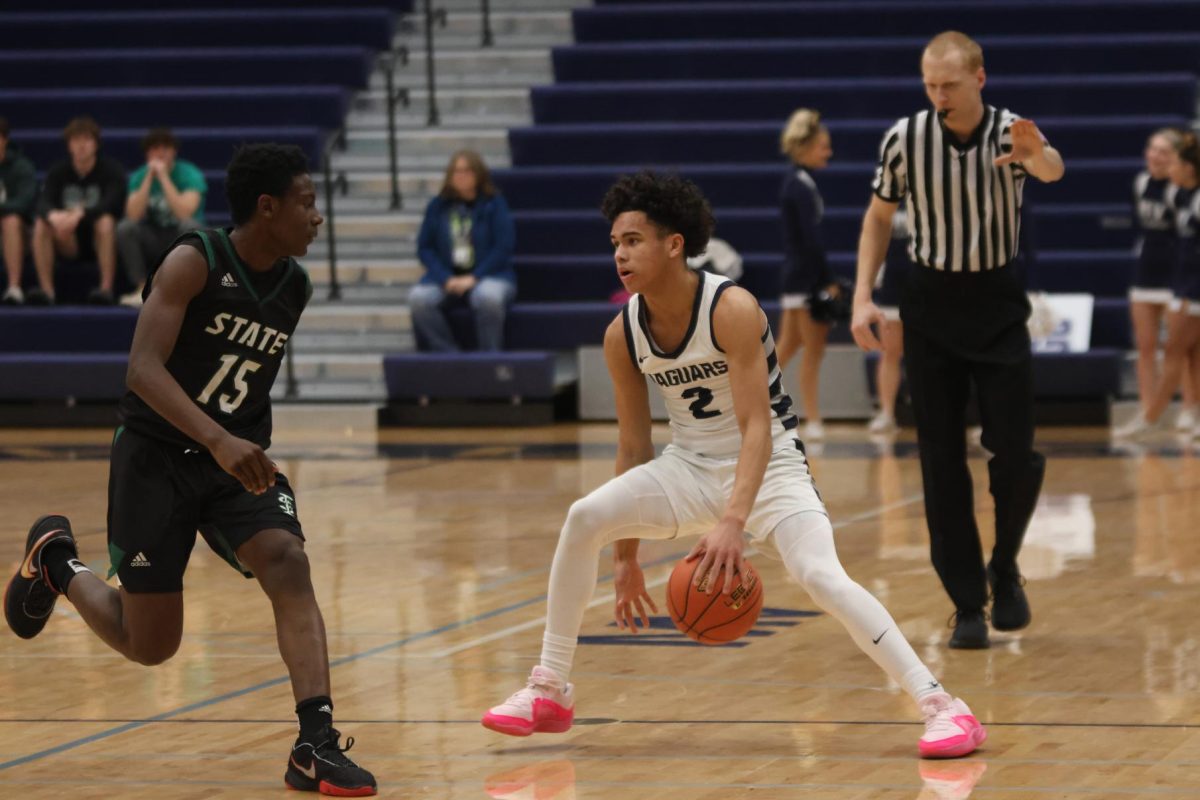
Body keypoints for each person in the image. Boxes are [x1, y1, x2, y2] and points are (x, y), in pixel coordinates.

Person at [480, 171, 987, 759]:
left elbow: (758, 429)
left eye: (634, 240)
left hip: (771, 469)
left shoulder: (732, 308)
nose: (620, 253)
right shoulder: (623, 333)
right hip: (688, 468)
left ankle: (942, 706)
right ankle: (550, 688)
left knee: (822, 577)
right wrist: (625, 557)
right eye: (615, 243)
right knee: (584, 515)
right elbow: (632, 446)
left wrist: (733, 520)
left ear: (674, 244)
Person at [4, 144, 377, 797]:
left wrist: (235, 447)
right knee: (152, 646)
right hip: (156, 458)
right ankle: (57, 562)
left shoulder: (295, 284)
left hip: (233, 460)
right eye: (307, 203)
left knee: (288, 560)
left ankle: (314, 744)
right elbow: (141, 371)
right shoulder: (192, 260)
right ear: (268, 208)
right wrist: (216, 439)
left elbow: (239, 381)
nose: (317, 218)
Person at [851, 31, 1064, 650]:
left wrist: (1035, 155)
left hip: (997, 301)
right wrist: (865, 295)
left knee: (1016, 453)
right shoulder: (904, 138)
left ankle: (1006, 565)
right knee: (941, 462)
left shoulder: (1011, 132)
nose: (938, 94)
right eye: (929, 84)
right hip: (930, 305)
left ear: (979, 78)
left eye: (948, 83)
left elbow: (1052, 170)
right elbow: (878, 217)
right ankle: (967, 602)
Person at [1116, 131, 1200, 439]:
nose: (1159, 158)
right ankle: (1154, 412)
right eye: (1152, 149)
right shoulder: (1151, 187)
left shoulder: (1187, 195)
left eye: (1169, 155)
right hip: (1167, 279)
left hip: (1185, 284)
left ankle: (1164, 416)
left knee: (1178, 351)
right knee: (1163, 348)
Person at [410, 149, 516, 352]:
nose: (461, 176)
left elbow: (504, 247)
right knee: (418, 299)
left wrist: (475, 277)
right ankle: (449, 355)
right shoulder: (438, 206)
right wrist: (445, 278)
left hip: (489, 275)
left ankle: (490, 358)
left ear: (478, 174)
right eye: (456, 171)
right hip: (447, 277)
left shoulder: (494, 204)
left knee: (488, 298)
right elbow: (425, 248)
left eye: (467, 171)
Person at [775, 109, 836, 440]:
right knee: (811, 349)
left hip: (798, 276)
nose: (827, 152)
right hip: (805, 279)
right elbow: (811, 240)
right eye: (823, 146)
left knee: (787, 347)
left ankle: (752, 407)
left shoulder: (799, 183)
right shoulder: (799, 185)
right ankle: (813, 420)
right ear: (805, 147)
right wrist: (826, 279)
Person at [30, 116, 126, 305]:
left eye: (87, 139)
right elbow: (43, 201)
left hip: (99, 238)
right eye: (76, 140)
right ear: (68, 145)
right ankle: (47, 292)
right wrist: (54, 215)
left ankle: (105, 289)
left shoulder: (111, 170)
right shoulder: (58, 171)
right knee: (42, 223)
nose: (81, 145)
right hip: (67, 238)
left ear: (96, 144)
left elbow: (113, 203)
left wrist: (80, 214)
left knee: (105, 221)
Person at [118, 127, 207, 307]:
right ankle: (141, 288)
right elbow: (133, 215)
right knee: (125, 228)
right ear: (147, 154)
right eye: (154, 149)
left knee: (191, 227)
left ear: (173, 151)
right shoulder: (139, 176)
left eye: (164, 148)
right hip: (154, 236)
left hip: (181, 236)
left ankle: (185, 290)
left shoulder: (189, 173)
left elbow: (185, 212)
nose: (160, 154)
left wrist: (164, 178)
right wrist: (149, 179)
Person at [868, 210, 912, 434]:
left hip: (925, 287)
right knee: (890, 351)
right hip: (891, 290)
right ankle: (886, 412)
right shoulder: (887, 198)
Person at [0, 117, 37, 305]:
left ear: (4, 140)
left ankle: (14, 287)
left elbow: (25, 203)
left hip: (22, 233)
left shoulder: (21, 167)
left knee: (11, 220)